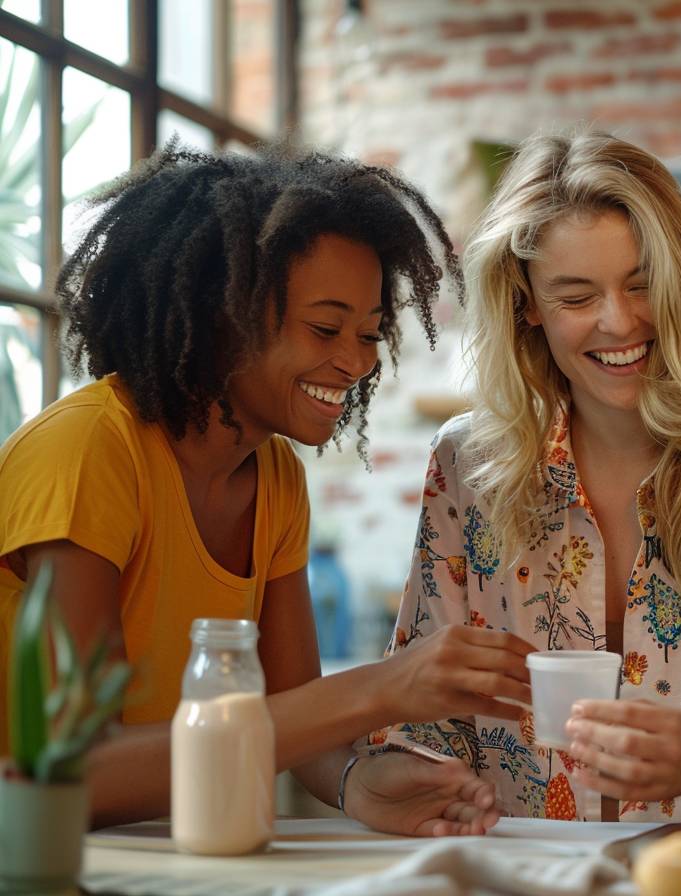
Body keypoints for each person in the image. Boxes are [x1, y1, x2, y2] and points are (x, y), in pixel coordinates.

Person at [342, 131, 681, 839]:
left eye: (643, 283)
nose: (621, 321)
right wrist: (389, 774)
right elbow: (427, 727)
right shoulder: (467, 466)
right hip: (518, 881)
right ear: (527, 305)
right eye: (576, 295)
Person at [0, 143, 507, 834]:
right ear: (223, 315)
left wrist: (360, 781)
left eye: (368, 333)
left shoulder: (274, 478)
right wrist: (381, 689)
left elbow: (296, 716)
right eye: (326, 328)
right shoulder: (88, 452)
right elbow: (71, 773)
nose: (357, 361)